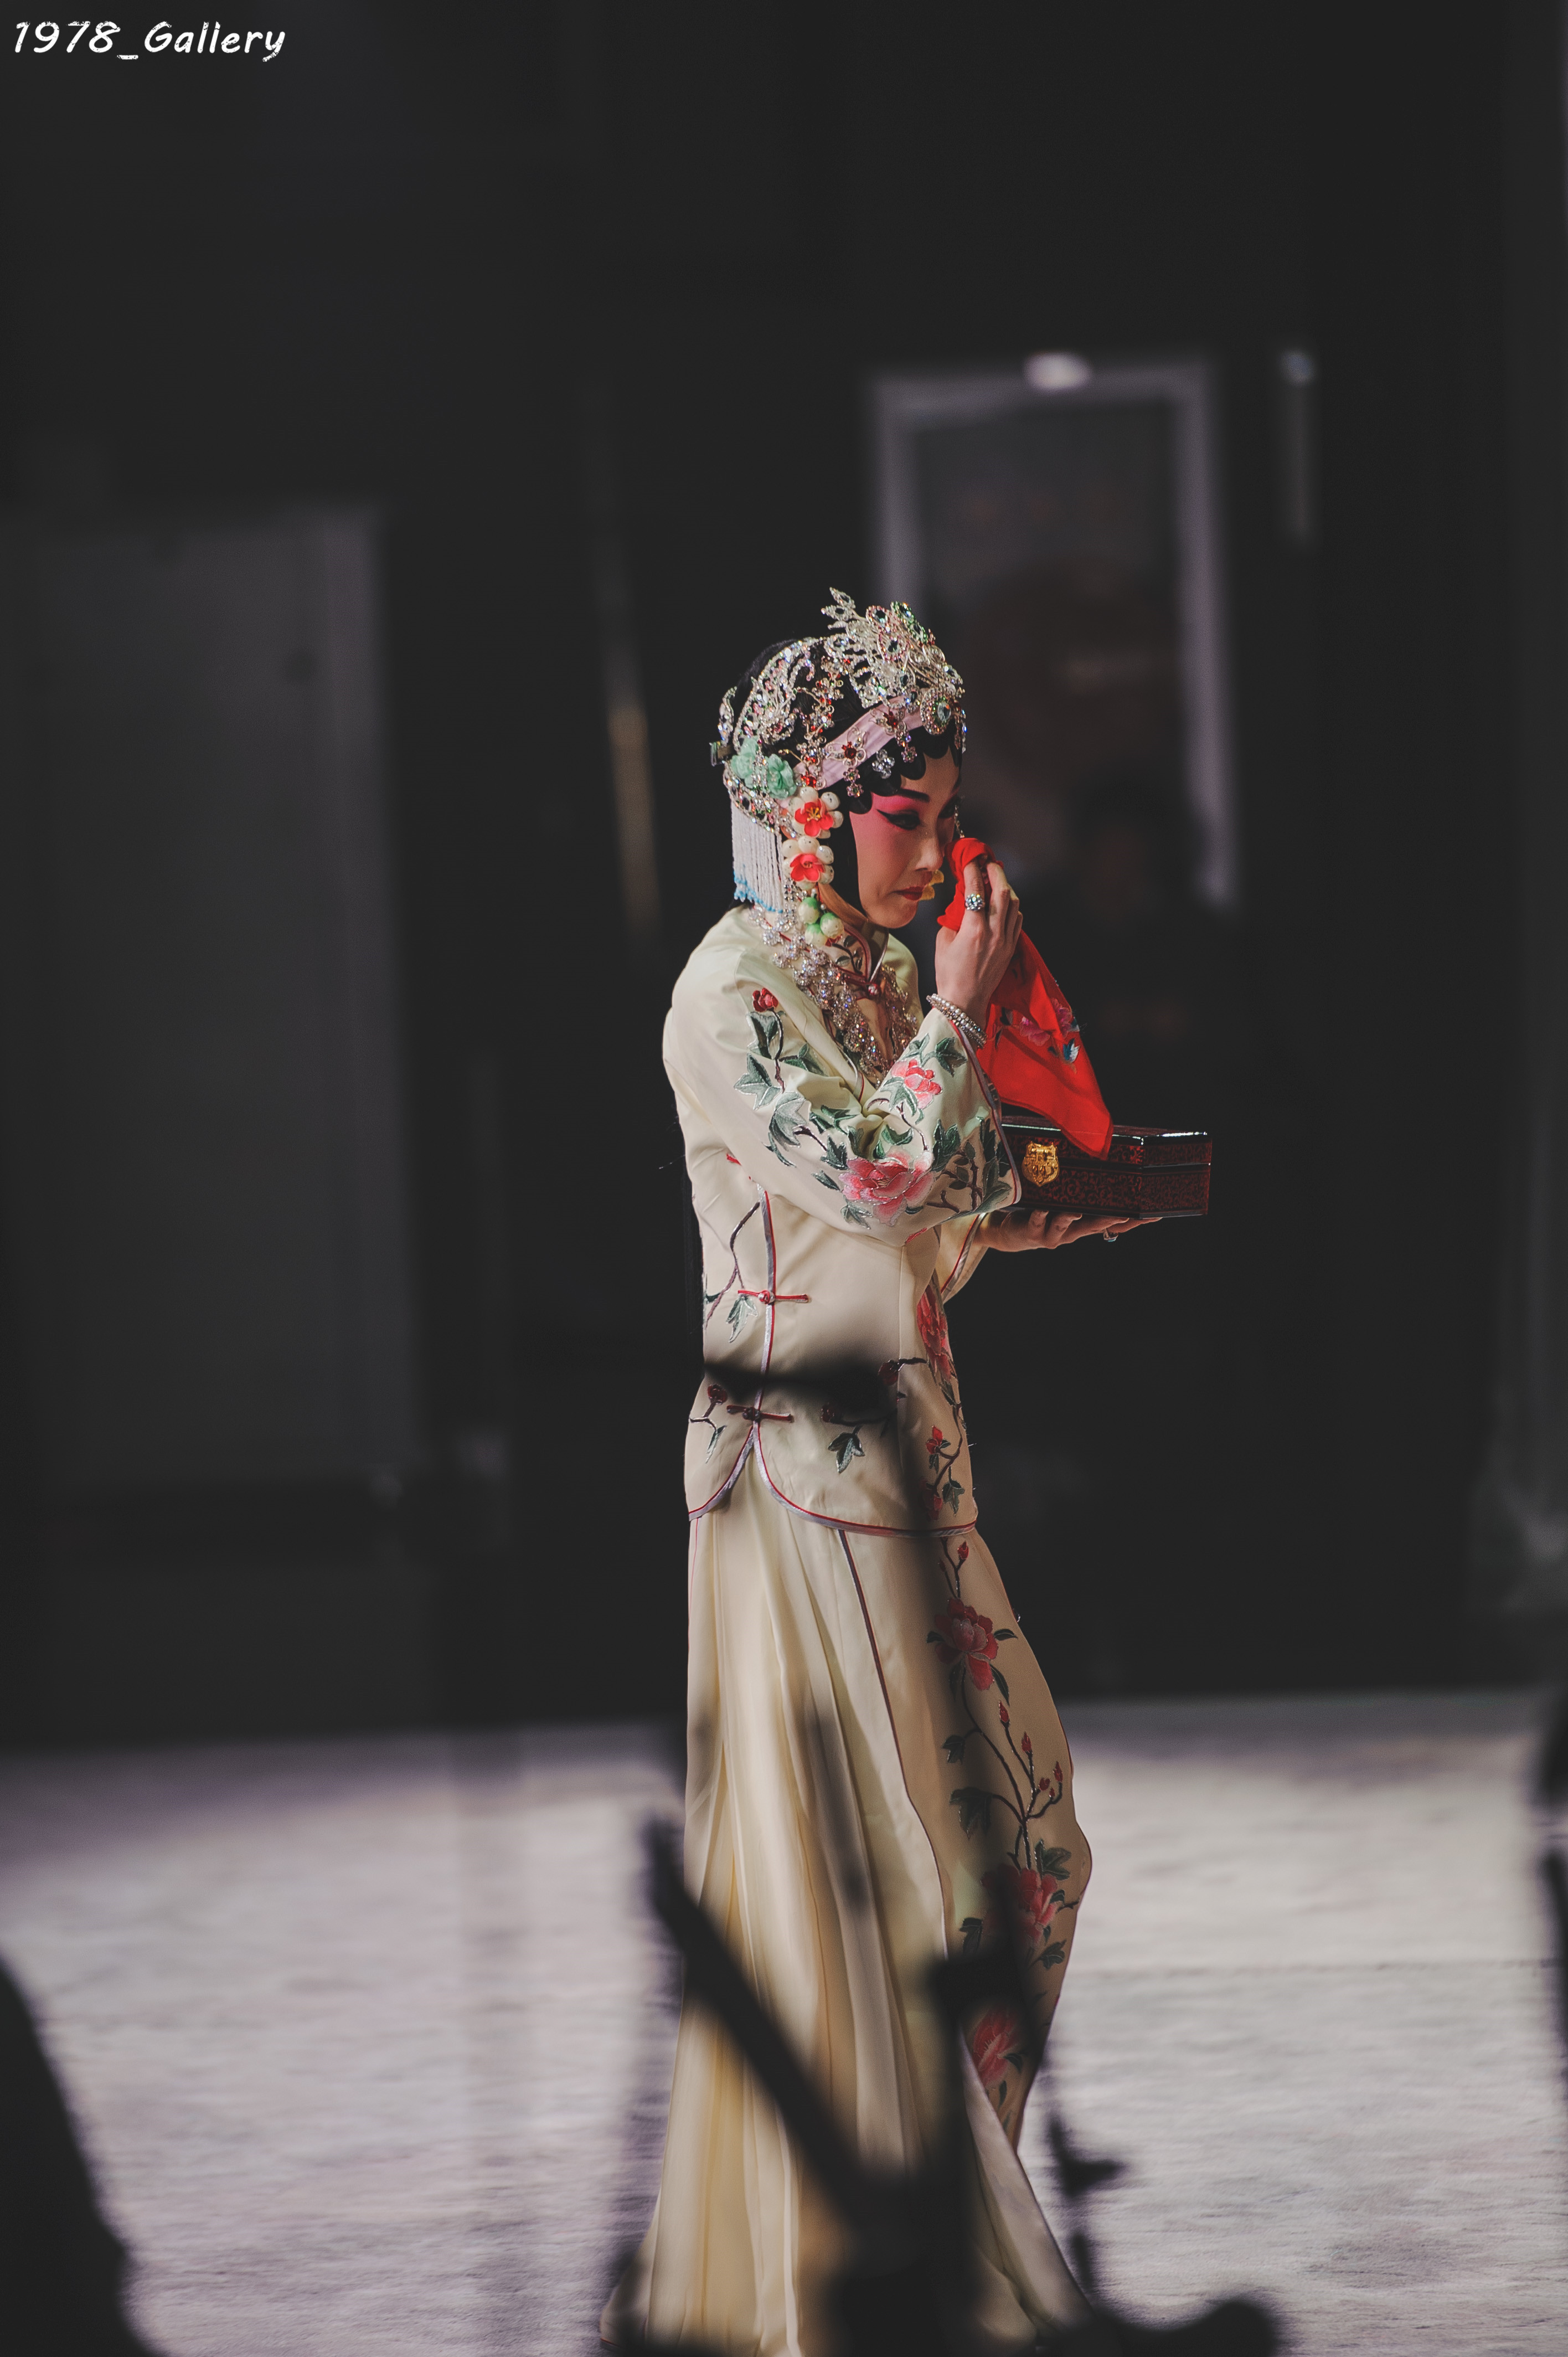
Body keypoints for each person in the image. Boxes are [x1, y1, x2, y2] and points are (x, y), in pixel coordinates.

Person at [606, 594, 1148, 2356]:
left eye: (944, 812)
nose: (937, 850)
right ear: (811, 815)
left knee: (1035, 1855)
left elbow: (940, 1220)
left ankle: (931, 2231)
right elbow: (881, 1179)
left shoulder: (883, 980)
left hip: (909, 1460)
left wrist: (1074, 1203)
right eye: (908, 817)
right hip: (794, 1478)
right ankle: (911, 2273)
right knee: (918, 1891)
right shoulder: (730, 991)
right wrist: (968, 1016)